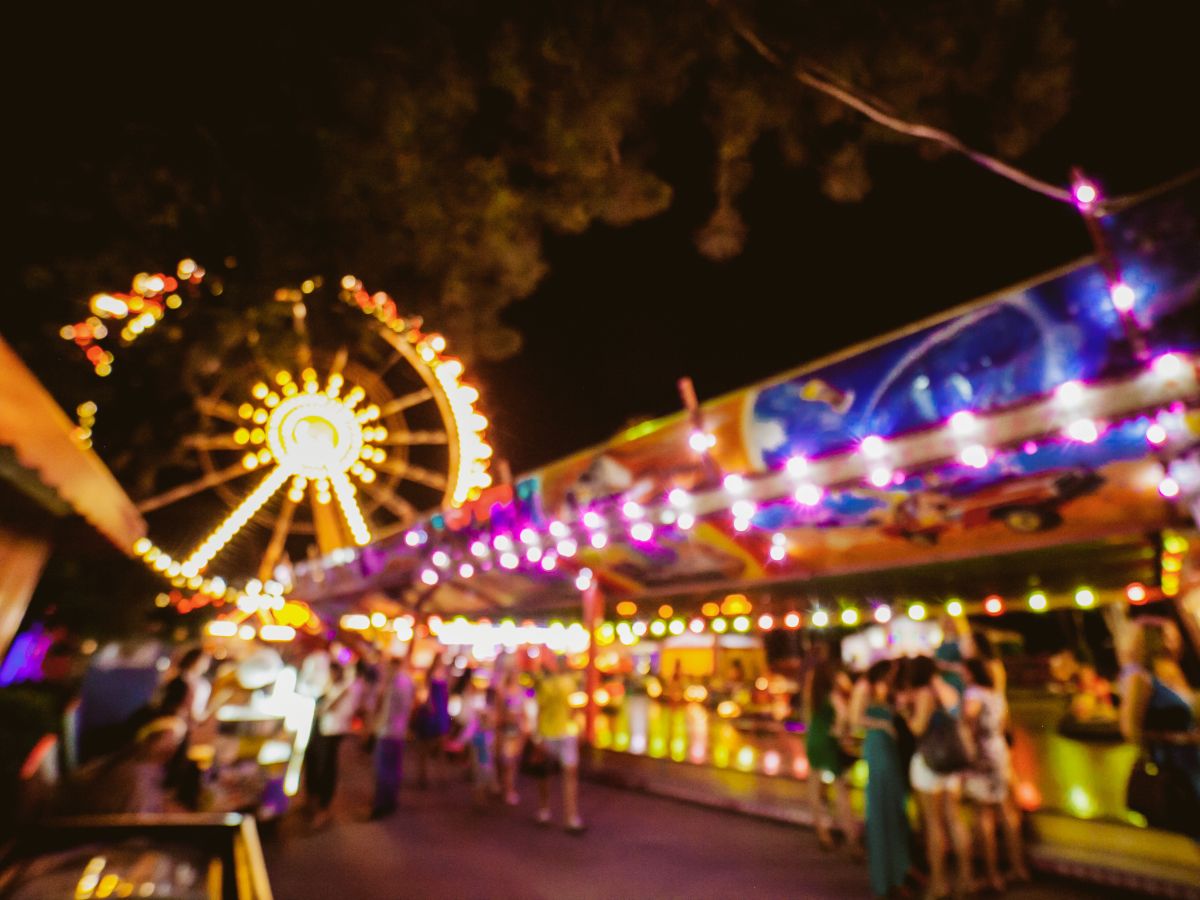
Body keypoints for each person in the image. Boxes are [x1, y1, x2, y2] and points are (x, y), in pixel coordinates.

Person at [1119, 617, 1200, 838]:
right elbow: (1129, 728)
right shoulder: (1141, 678)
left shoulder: (1176, 670)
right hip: (1175, 762)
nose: (1175, 640)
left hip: (1193, 757)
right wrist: (1168, 741)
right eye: (1168, 635)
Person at [901, 655, 973, 899]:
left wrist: (905, 715)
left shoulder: (924, 694)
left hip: (929, 761)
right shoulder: (949, 690)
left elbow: (918, 728)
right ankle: (965, 879)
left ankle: (939, 883)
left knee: (933, 824)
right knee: (954, 819)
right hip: (951, 761)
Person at [963, 657, 1029, 891]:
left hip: (982, 755)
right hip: (999, 750)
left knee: (984, 815)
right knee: (1007, 810)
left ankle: (993, 876)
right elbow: (1004, 725)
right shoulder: (996, 694)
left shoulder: (974, 694)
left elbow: (969, 720)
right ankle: (1018, 866)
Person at [860, 660, 911, 899]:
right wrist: (882, 724)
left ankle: (898, 874)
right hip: (878, 746)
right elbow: (854, 718)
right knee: (881, 808)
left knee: (894, 808)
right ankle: (885, 878)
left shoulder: (889, 691)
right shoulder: (865, 687)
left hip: (890, 748)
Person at [804, 659, 860, 854]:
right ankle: (851, 835)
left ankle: (822, 833)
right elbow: (845, 717)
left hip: (813, 740)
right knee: (840, 788)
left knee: (814, 785)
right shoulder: (833, 696)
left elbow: (807, 717)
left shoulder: (812, 696)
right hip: (828, 740)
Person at [307, 660, 364, 828]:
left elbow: (328, 708)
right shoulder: (333, 686)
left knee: (327, 768)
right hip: (324, 730)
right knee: (317, 764)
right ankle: (317, 801)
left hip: (333, 731)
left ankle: (324, 807)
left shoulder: (345, 688)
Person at [532, 653, 585, 832]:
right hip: (556, 733)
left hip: (557, 733)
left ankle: (555, 812)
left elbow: (541, 710)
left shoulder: (554, 684)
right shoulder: (560, 684)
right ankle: (563, 815)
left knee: (556, 774)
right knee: (554, 775)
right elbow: (575, 710)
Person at [370, 653, 414, 819]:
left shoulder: (394, 682)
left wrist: (376, 726)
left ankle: (382, 804)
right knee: (393, 769)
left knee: (384, 769)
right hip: (398, 731)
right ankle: (390, 800)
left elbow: (388, 710)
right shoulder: (407, 681)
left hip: (389, 731)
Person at [495, 665, 528, 806]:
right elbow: (499, 712)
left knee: (513, 761)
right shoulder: (502, 692)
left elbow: (524, 711)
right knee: (506, 761)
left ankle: (508, 788)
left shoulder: (521, 692)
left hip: (516, 730)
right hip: (506, 729)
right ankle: (506, 788)